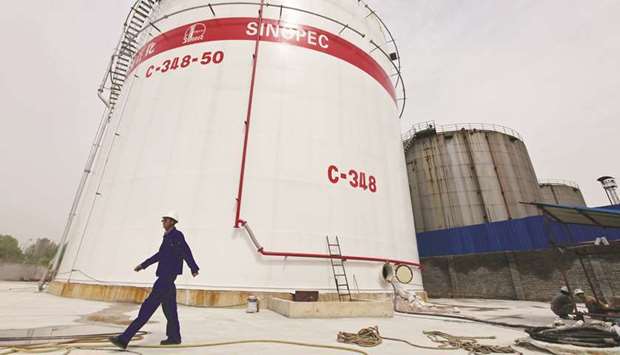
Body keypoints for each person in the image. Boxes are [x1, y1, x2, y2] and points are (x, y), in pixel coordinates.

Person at [109, 211, 200, 349]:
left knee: (146, 309)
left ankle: (124, 339)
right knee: (170, 311)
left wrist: (193, 267)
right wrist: (143, 265)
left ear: (172, 222)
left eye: (165, 220)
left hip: (165, 279)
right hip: (167, 280)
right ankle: (174, 337)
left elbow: (185, 251)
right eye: (163, 220)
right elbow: (160, 255)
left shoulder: (176, 236)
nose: (163, 222)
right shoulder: (168, 237)